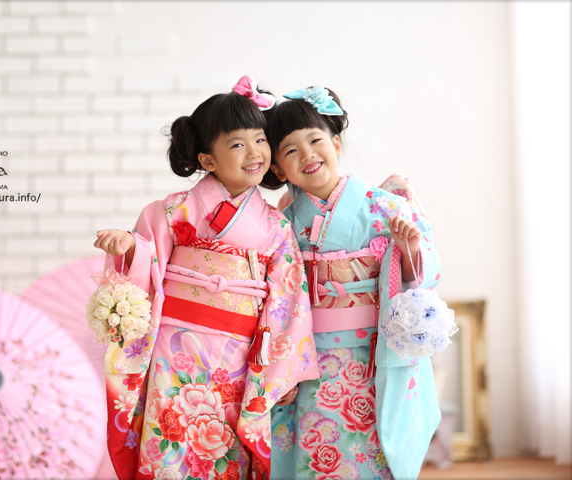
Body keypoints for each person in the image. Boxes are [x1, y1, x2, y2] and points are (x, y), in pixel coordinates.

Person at [94, 76, 319, 480]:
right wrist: (129, 248)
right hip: (173, 352)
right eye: (237, 144)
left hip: (238, 358)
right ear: (208, 160)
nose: (254, 152)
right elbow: (148, 261)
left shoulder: (276, 226)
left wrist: (278, 371)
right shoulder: (171, 210)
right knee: (170, 447)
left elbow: (288, 301)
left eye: (260, 140)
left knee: (225, 456)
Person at [264, 86, 442, 480]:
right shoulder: (282, 222)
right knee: (315, 450)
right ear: (278, 170)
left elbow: (424, 277)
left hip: (372, 357)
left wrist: (409, 248)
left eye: (315, 141)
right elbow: (275, 295)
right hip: (310, 356)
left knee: (371, 448)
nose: (307, 154)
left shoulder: (387, 207)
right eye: (291, 150)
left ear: (336, 144)